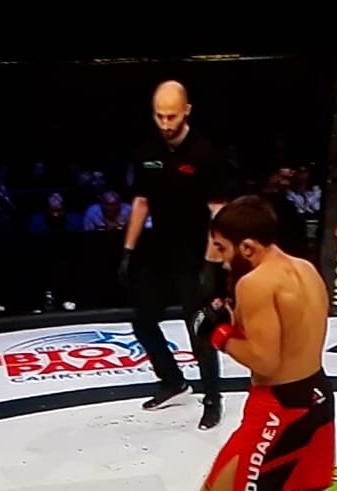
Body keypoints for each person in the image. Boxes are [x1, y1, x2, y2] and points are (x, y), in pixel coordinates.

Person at [154, 195, 337, 491]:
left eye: (223, 248)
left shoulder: (256, 283)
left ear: (248, 246)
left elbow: (265, 360)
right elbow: (291, 335)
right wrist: (233, 319)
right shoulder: (306, 269)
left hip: (279, 408)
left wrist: (218, 334)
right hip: (317, 393)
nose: (221, 259)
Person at [119, 80, 234, 430]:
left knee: (199, 326)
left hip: (195, 251)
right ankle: (172, 380)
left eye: (171, 116)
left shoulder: (205, 153)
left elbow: (217, 212)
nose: (165, 123)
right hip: (159, 249)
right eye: (159, 116)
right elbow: (141, 201)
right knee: (142, 319)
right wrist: (128, 249)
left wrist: (212, 264)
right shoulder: (147, 149)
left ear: (187, 111)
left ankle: (212, 397)